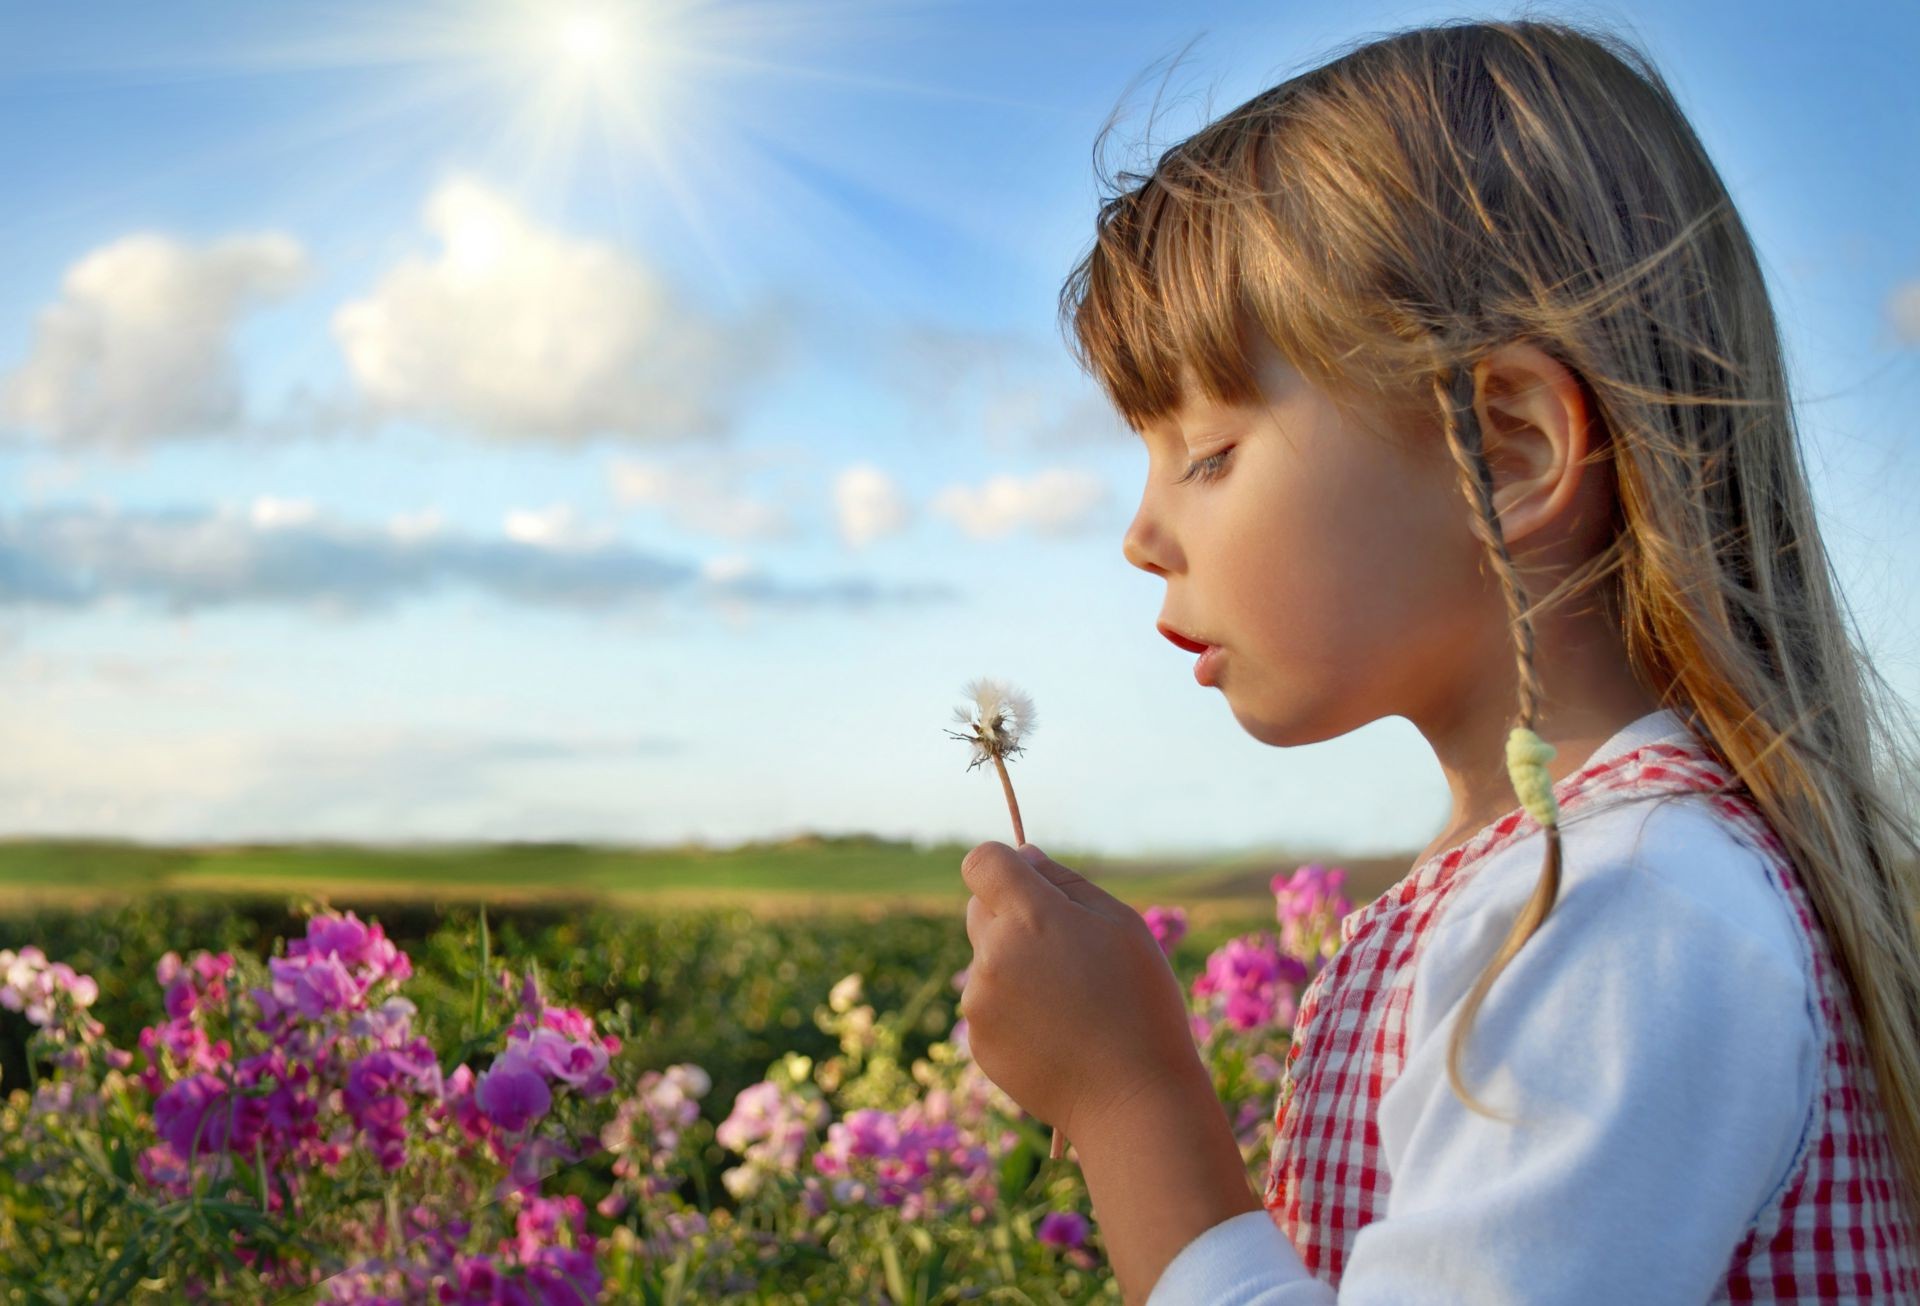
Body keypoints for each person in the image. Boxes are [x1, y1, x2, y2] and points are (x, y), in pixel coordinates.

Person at [954, 15, 1920, 1304]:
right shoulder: (1563, 888)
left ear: (1508, 450)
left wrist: (1133, 1100)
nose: (1142, 537)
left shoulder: (1625, 910)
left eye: (1210, 453)